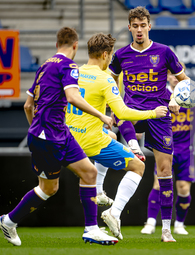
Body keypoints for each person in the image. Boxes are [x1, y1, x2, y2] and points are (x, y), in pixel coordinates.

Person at [0, 27, 117, 246]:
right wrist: (101, 115)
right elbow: (72, 97)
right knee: (49, 189)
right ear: (75, 45)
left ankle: (91, 229)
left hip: (57, 133)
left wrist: (36, 128)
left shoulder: (44, 66)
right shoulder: (68, 66)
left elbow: (27, 105)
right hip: (50, 137)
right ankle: (8, 221)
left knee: (90, 172)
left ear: (56, 45)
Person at [65, 32, 168, 240]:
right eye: (110, 56)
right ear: (105, 54)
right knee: (139, 165)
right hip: (89, 140)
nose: (111, 59)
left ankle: (99, 190)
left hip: (68, 137)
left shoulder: (74, 72)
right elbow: (122, 113)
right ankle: (113, 213)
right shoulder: (105, 79)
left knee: (111, 136)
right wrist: (153, 113)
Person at [108, 6, 189, 242]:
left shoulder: (164, 52)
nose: (140, 30)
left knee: (164, 172)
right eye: (135, 26)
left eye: (143, 25)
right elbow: (110, 82)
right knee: (121, 112)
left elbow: (186, 81)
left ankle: (165, 230)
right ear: (130, 27)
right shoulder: (121, 55)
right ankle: (134, 146)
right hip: (132, 111)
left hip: (160, 114)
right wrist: (111, 108)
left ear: (149, 26)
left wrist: (175, 98)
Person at [141, 66, 195, 235]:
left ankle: (180, 224)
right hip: (164, 148)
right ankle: (151, 223)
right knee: (158, 185)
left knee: (183, 188)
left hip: (186, 150)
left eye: (179, 74)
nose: (175, 78)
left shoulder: (193, 94)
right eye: (172, 74)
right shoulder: (160, 94)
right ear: (167, 76)